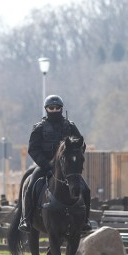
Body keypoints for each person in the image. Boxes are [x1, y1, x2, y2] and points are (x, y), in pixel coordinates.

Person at [18, 94, 92, 234]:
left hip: (66, 168)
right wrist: (46, 164)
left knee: (86, 189)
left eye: (57, 108)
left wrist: (71, 158)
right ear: (46, 109)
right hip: (45, 165)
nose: (54, 110)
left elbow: (80, 145)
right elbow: (33, 149)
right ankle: (26, 219)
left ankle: (85, 221)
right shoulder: (39, 127)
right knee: (31, 184)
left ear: (61, 109)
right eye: (51, 108)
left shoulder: (70, 126)